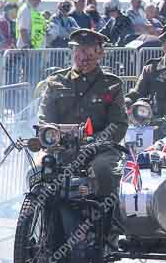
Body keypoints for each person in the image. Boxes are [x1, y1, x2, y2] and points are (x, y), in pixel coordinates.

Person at [37, 29, 128, 197]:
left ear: (100, 53)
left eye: (88, 50)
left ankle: (103, 220)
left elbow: (119, 124)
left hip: (99, 151)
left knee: (102, 171)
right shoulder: (55, 82)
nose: (82, 55)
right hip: (60, 148)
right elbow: (45, 118)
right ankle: (35, 217)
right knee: (37, 170)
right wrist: (50, 135)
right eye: (78, 49)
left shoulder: (112, 85)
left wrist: (95, 140)